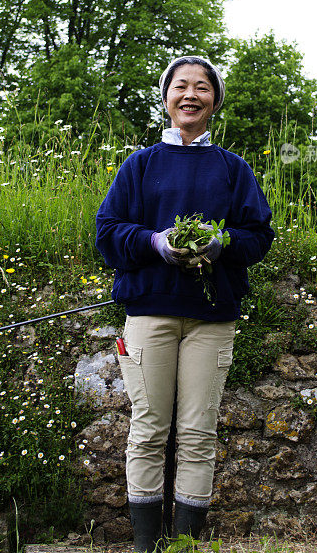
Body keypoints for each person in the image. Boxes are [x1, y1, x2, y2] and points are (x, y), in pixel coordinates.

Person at [95, 55, 275, 553]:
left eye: (202, 86)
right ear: (167, 97)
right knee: (149, 429)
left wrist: (222, 245)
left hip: (211, 319)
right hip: (148, 313)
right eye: (181, 86)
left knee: (198, 431)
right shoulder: (141, 165)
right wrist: (155, 243)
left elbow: (259, 235)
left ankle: (185, 546)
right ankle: (145, 545)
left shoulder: (233, 170)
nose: (190, 94)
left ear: (214, 100)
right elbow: (107, 231)